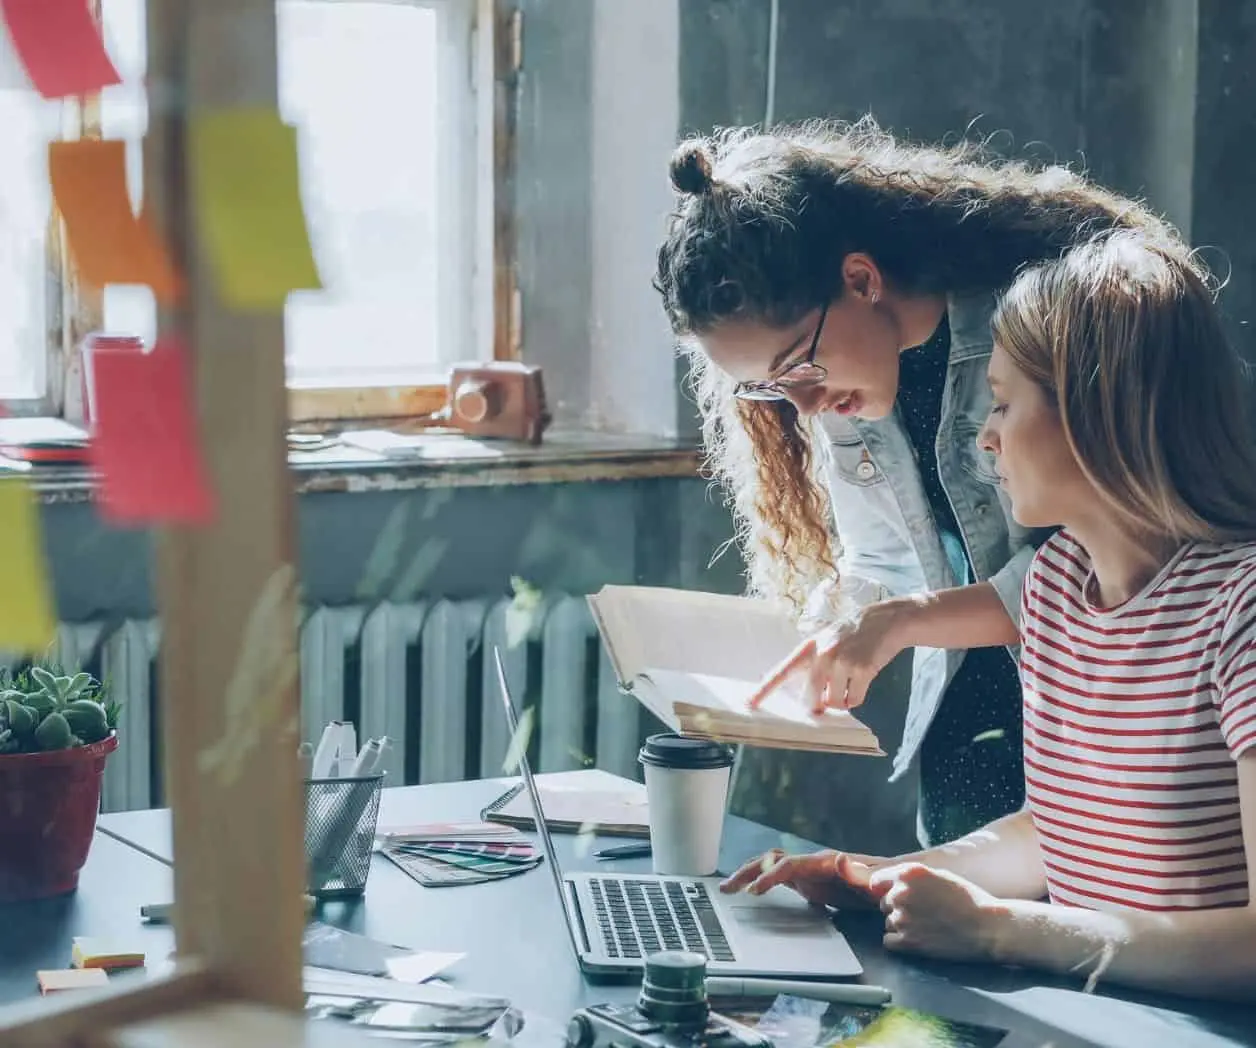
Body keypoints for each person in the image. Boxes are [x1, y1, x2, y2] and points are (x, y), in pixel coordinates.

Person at [720, 232, 1256, 1001]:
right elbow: (1052, 834)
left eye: (1004, 403)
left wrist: (1002, 930)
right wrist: (869, 878)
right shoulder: (1056, 589)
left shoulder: (1242, 610)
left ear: (1098, 409)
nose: (986, 436)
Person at [653, 116, 1186, 846]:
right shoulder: (842, 378)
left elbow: (1105, 575)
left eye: (797, 367)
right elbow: (882, 562)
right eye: (769, 390)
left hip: (1097, 719)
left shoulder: (1038, 324)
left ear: (861, 280)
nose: (803, 405)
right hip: (966, 724)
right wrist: (837, 621)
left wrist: (896, 622)